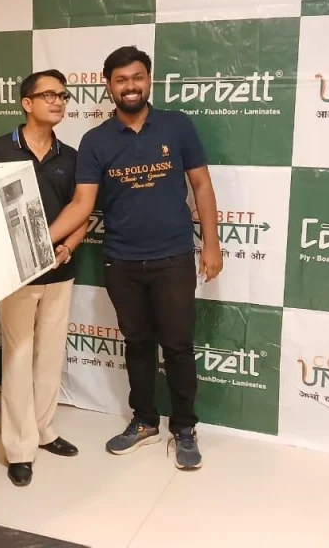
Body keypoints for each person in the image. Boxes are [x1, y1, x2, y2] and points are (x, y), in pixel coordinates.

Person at [46, 46, 224, 471]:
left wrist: (212, 243)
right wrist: (41, 242)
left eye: (138, 77)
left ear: (149, 80)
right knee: (138, 344)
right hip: (122, 261)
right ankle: (144, 421)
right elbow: (82, 204)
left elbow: (201, 185)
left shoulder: (177, 126)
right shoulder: (95, 141)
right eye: (122, 80)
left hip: (173, 257)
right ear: (108, 85)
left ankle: (185, 428)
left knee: (177, 346)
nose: (131, 86)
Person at [0, 69, 87, 487]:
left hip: (61, 270)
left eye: (63, 95)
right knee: (19, 357)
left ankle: (44, 430)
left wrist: (68, 246)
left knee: (50, 356)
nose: (58, 102)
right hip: (15, 276)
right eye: (48, 95)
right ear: (27, 103)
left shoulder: (72, 156)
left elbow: (83, 211)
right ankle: (19, 448)